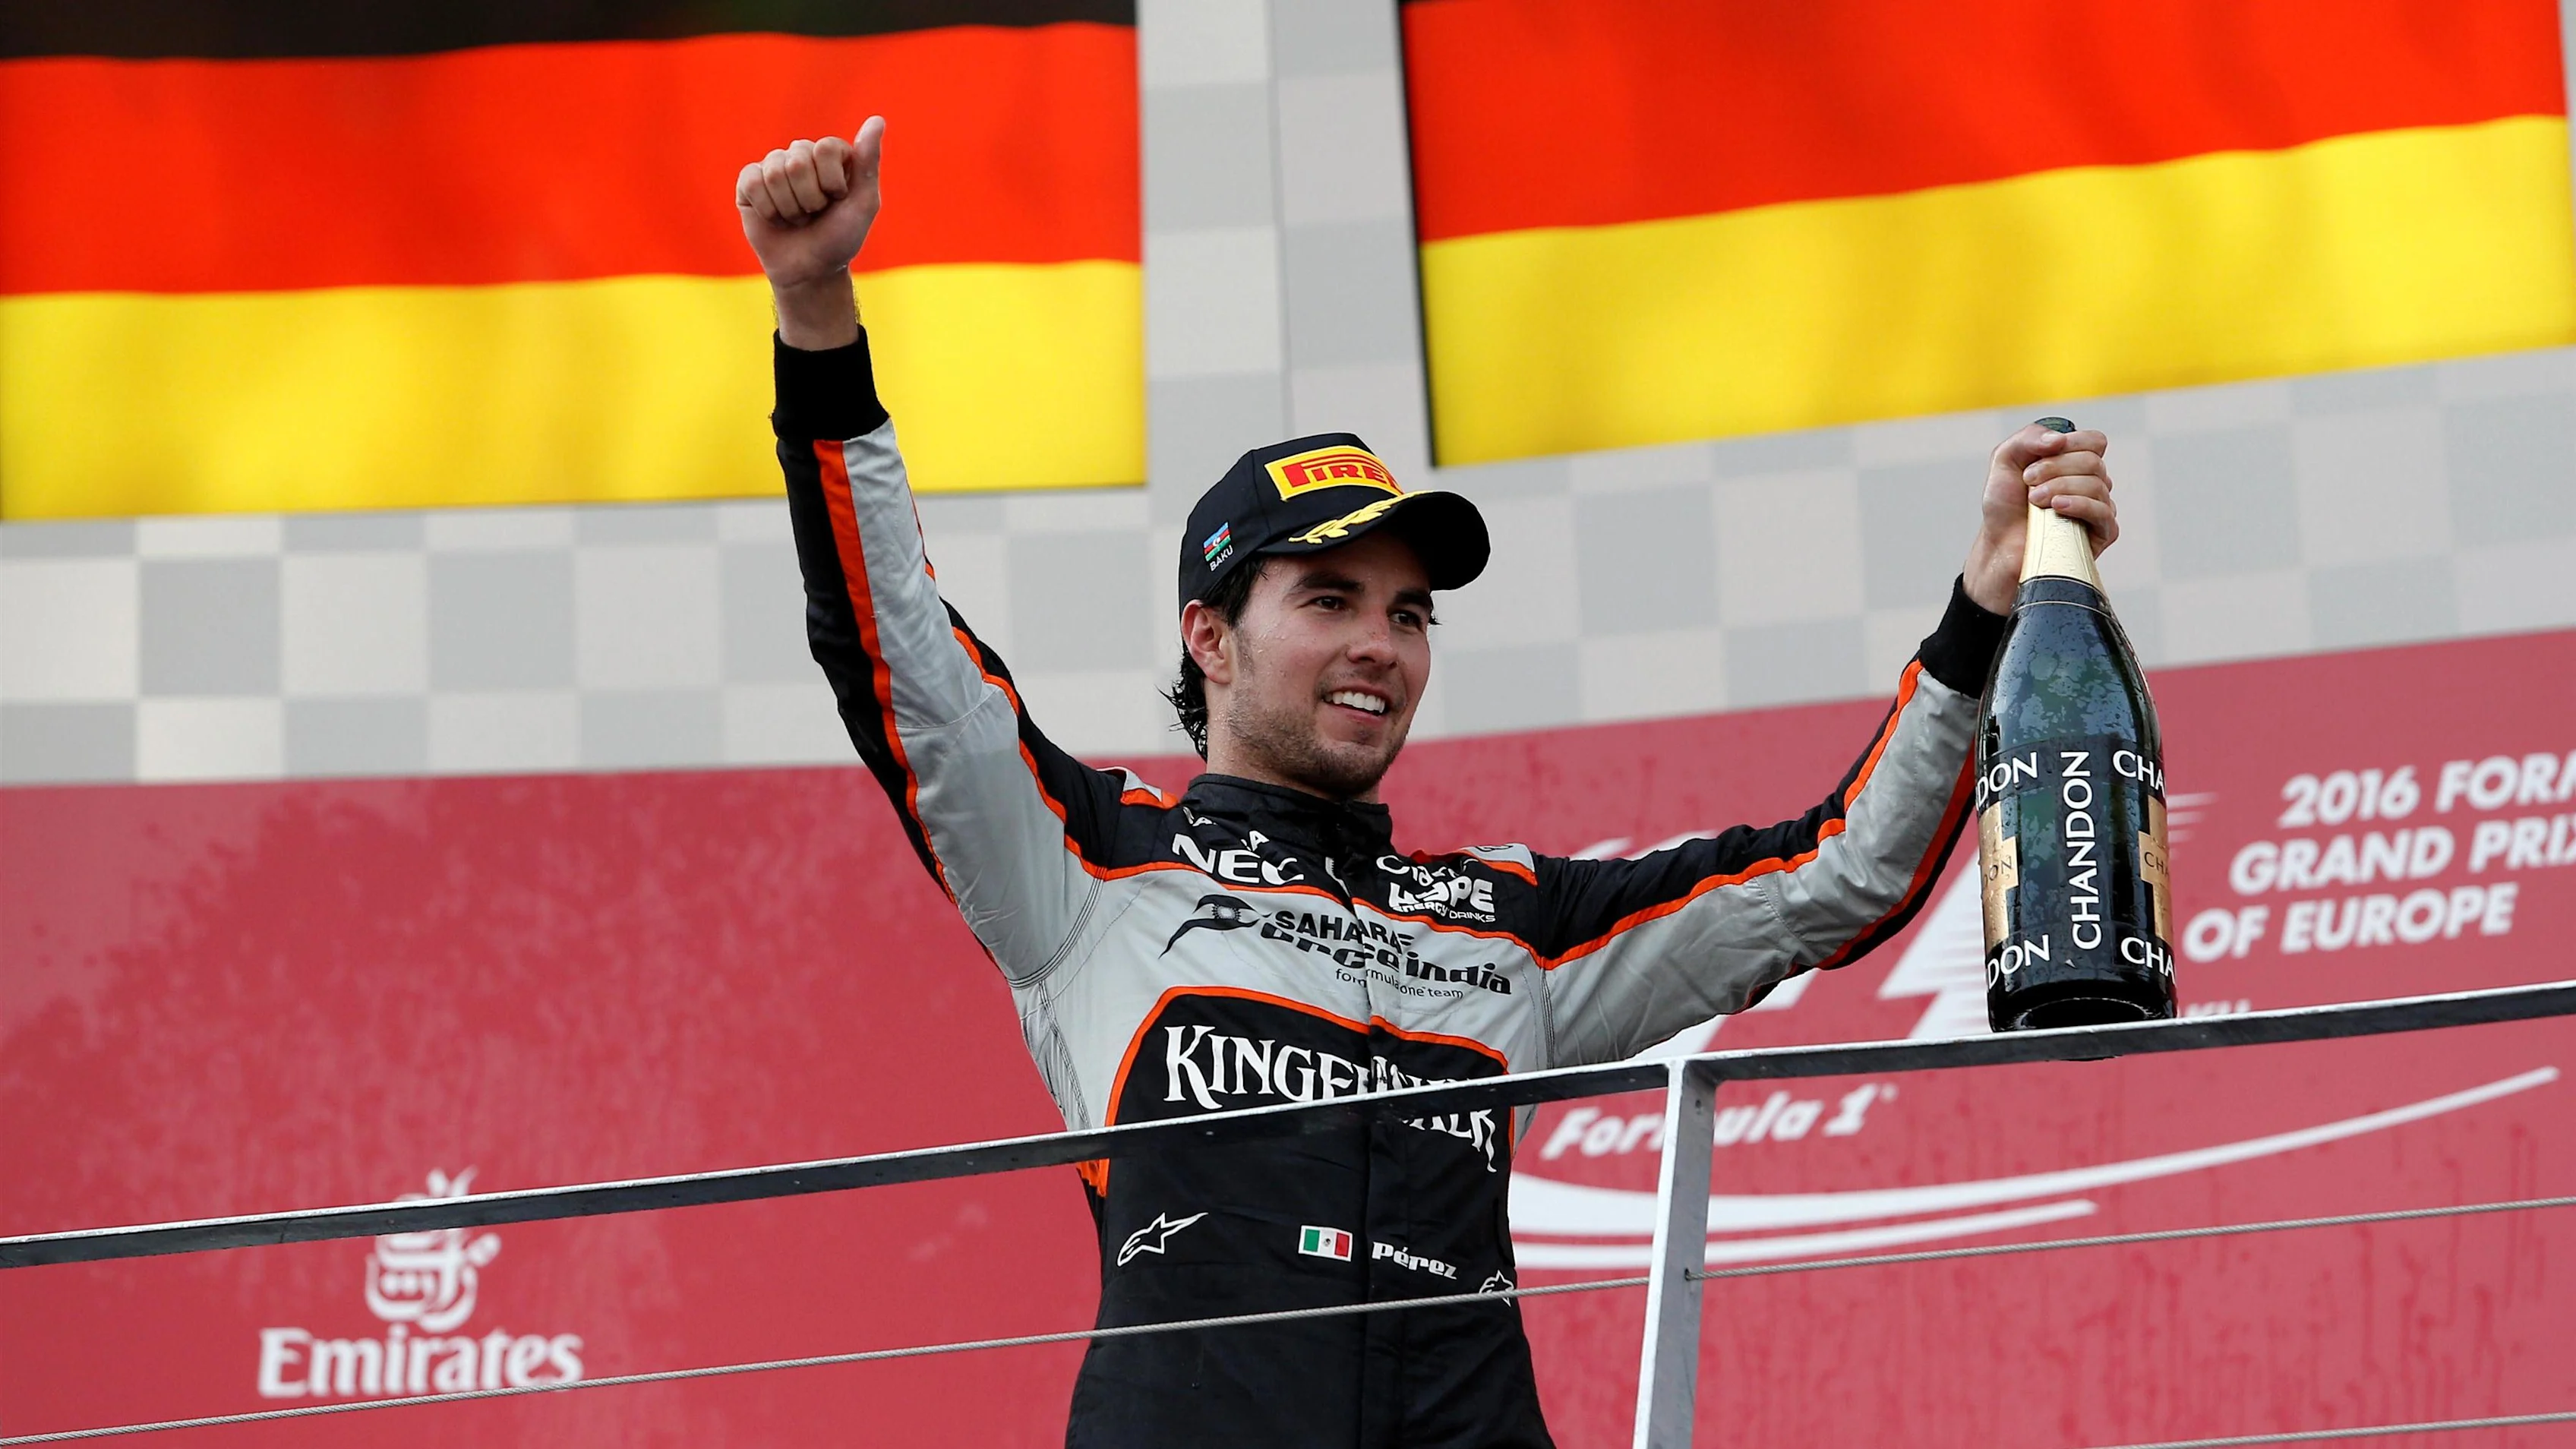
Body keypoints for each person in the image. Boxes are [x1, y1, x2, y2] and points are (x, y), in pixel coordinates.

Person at [739, 120, 2119, 1449]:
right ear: (1209, 636)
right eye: (1331, 598)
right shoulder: (1091, 868)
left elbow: (1838, 874)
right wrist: (818, 317)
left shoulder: (1506, 924)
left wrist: (1985, 611)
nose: (1378, 647)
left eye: (1409, 615)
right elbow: (895, 643)